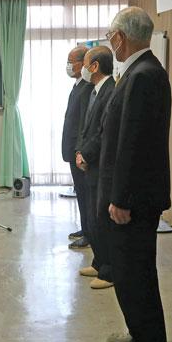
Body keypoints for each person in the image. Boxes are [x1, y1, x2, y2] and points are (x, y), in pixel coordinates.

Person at [100, 7, 171, 342]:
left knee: (136, 270)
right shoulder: (140, 72)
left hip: (135, 197)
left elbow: (134, 144)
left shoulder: (143, 75)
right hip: (134, 193)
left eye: (110, 34)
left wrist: (121, 198)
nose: (109, 40)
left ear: (120, 37)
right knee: (131, 270)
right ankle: (140, 330)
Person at [74, 46, 115, 290]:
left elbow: (104, 132)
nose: (82, 69)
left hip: (101, 164)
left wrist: (86, 154)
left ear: (95, 66)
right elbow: (85, 126)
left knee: (102, 219)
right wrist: (80, 152)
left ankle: (109, 272)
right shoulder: (94, 91)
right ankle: (100, 263)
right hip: (89, 162)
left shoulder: (111, 91)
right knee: (92, 216)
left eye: (85, 63)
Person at [62, 45, 94, 249]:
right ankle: (85, 228)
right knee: (80, 193)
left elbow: (85, 124)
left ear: (83, 63)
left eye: (71, 61)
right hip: (73, 150)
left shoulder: (87, 88)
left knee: (86, 194)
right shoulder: (77, 86)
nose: (68, 65)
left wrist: (80, 151)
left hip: (79, 152)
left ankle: (91, 234)